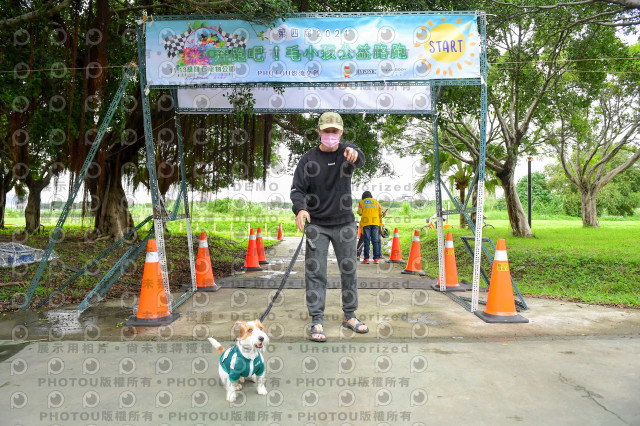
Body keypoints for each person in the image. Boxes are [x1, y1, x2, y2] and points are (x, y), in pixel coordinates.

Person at [290, 112, 369, 342]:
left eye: (335, 131)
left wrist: (357, 154)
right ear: (319, 132)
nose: (331, 135)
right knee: (316, 273)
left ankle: (350, 315)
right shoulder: (308, 160)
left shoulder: (347, 153)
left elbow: (361, 160)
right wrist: (301, 209)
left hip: (344, 223)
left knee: (349, 271)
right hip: (317, 225)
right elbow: (297, 190)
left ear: (341, 132)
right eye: (327, 131)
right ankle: (316, 320)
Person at [357, 191, 383, 264]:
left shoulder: (361, 203)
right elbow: (380, 213)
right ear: (371, 196)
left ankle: (366, 259)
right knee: (375, 241)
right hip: (375, 223)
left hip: (366, 223)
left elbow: (360, 212)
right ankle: (376, 259)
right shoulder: (376, 202)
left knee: (367, 241)